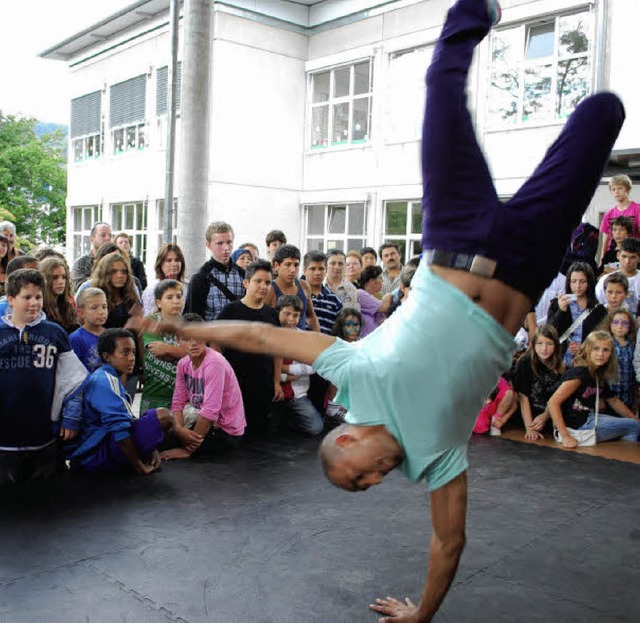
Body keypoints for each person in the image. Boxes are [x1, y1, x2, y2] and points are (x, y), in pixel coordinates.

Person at [142, 1, 625, 619]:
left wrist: (182, 324)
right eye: (365, 486)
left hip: (455, 233)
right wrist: (421, 613)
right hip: (529, 262)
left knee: (440, 90)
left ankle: (474, 9)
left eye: (356, 475)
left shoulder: (356, 374)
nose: (371, 483)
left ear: (348, 437)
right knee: (604, 113)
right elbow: (450, 540)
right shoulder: (438, 453)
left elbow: (259, 339)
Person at [0, 269, 87, 485]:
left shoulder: (55, 333)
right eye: (26, 297)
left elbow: (73, 378)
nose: (34, 303)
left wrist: (71, 415)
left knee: (44, 499)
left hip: (44, 435)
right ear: (11, 299)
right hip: (4, 439)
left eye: (38, 297)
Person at [66, 328, 172, 474]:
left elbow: (128, 419)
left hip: (97, 452)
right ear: (107, 357)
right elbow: (121, 431)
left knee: (147, 417)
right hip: (95, 457)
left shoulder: (107, 376)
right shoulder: (105, 380)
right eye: (125, 352)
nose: (131, 358)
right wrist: (140, 466)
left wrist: (151, 448)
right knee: (164, 416)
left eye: (133, 352)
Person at [161, 313, 245, 460]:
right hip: (200, 419)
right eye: (187, 338)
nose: (193, 343)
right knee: (161, 434)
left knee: (167, 443)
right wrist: (179, 431)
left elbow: (210, 411)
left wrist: (188, 450)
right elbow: (178, 403)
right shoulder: (183, 364)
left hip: (224, 430)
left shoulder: (214, 363)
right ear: (178, 340)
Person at [217, 260, 282, 438]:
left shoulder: (271, 314)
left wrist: (277, 382)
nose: (263, 286)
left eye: (268, 283)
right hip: (236, 382)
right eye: (258, 281)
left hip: (263, 383)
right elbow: (213, 340)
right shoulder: (231, 310)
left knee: (260, 435)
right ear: (246, 283)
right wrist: (221, 373)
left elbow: (278, 350)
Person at [548, 331, 640, 447]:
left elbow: (613, 400)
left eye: (605, 350)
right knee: (633, 427)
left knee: (634, 424)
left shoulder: (598, 373)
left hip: (588, 418)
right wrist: (566, 437)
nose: (600, 354)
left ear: (611, 353)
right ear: (587, 350)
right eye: (596, 349)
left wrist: (635, 418)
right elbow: (553, 402)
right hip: (578, 425)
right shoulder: (580, 373)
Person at [271, 295, 324, 436]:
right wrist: (283, 377)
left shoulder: (304, 337)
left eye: (295, 315)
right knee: (269, 429)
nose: (291, 319)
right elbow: (266, 366)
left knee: (315, 427)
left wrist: (287, 369)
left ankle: (289, 420)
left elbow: (313, 366)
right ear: (277, 312)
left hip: (297, 394)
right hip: (273, 392)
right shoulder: (270, 336)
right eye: (286, 314)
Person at [546, 262, 606, 366]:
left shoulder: (599, 310)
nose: (578, 286)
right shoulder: (557, 303)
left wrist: (584, 348)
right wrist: (561, 311)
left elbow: (601, 338)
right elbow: (549, 333)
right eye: (573, 281)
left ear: (589, 282)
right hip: (560, 361)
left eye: (582, 281)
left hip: (586, 362)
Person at [140, 280, 186, 413]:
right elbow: (159, 352)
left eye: (179, 296)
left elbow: (193, 354)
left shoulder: (187, 324)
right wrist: (180, 352)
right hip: (154, 391)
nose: (176, 301)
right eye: (169, 297)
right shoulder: (151, 322)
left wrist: (169, 349)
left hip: (181, 393)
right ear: (158, 302)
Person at [512, 324, 565, 440]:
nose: (544, 348)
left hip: (549, 413)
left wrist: (545, 416)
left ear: (555, 345)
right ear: (533, 344)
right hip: (528, 413)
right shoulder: (525, 362)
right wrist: (529, 427)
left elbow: (557, 397)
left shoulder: (560, 366)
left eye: (549, 344)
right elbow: (522, 396)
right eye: (540, 344)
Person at [184, 221, 245, 321]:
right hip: (210, 334)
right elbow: (192, 318)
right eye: (219, 243)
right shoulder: (200, 278)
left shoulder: (243, 275)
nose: (225, 248)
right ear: (208, 245)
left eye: (229, 242)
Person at [266, 245, 320, 332]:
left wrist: (317, 339)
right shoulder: (269, 290)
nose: (293, 269)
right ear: (276, 265)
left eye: (296, 265)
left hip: (300, 342)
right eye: (288, 264)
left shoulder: (304, 286)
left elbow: (311, 316)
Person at [601, 308, 637, 411]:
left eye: (624, 323)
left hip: (628, 399)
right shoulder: (605, 344)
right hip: (608, 399)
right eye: (615, 322)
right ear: (609, 324)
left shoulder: (633, 346)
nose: (620, 326)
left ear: (630, 326)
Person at [141, 242, 189, 316]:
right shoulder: (153, 289)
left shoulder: (187, 286)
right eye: (169, 260)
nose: (174, 264)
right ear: (160, 264)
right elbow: (149, 318)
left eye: (177, 260)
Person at [303, 250, 343, 334]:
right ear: (304, 271)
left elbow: (339, 330)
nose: (317, 273)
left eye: (321, 269)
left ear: (326, 271)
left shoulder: (334, 300)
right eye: (312, 269)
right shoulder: (297, 295)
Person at [599, 175, 640, 256]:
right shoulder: (608, 214)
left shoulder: (637, 209)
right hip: (614, 255)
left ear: (628, 190)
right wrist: (602, 260)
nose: (616, 192)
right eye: (613, 189)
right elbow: (605, 241)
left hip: (633, 253)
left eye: (620, 188)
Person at [70, 287, 108, 373]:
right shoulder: (76, 338)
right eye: (94, 308)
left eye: (104, 307)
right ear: (81, 313)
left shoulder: (112, 336)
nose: (101, 312)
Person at [595, 237, 640, 310]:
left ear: (639, 258)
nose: (627, 261)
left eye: (632, 257)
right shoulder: (605, 280)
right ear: (618, 255)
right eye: (624, 256)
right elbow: (599, 305)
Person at [39, 256, 79, 334]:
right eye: (55, 277)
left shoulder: (67, 306)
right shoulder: (39, 309)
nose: (61, 282)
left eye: (64, 277)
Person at [71, 221, 112, 292]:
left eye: (110, 236)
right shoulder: (81, 263)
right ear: (92, 239)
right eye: (103, 235)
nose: (108, 238)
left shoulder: (116, 261)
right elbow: (79, 288)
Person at [357, 265, 394, 337]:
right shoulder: (361, 294)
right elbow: (385, 307)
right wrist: (388, 295)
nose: (382, 281)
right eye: (380, 278)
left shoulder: (374, 297)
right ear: (371, 281)